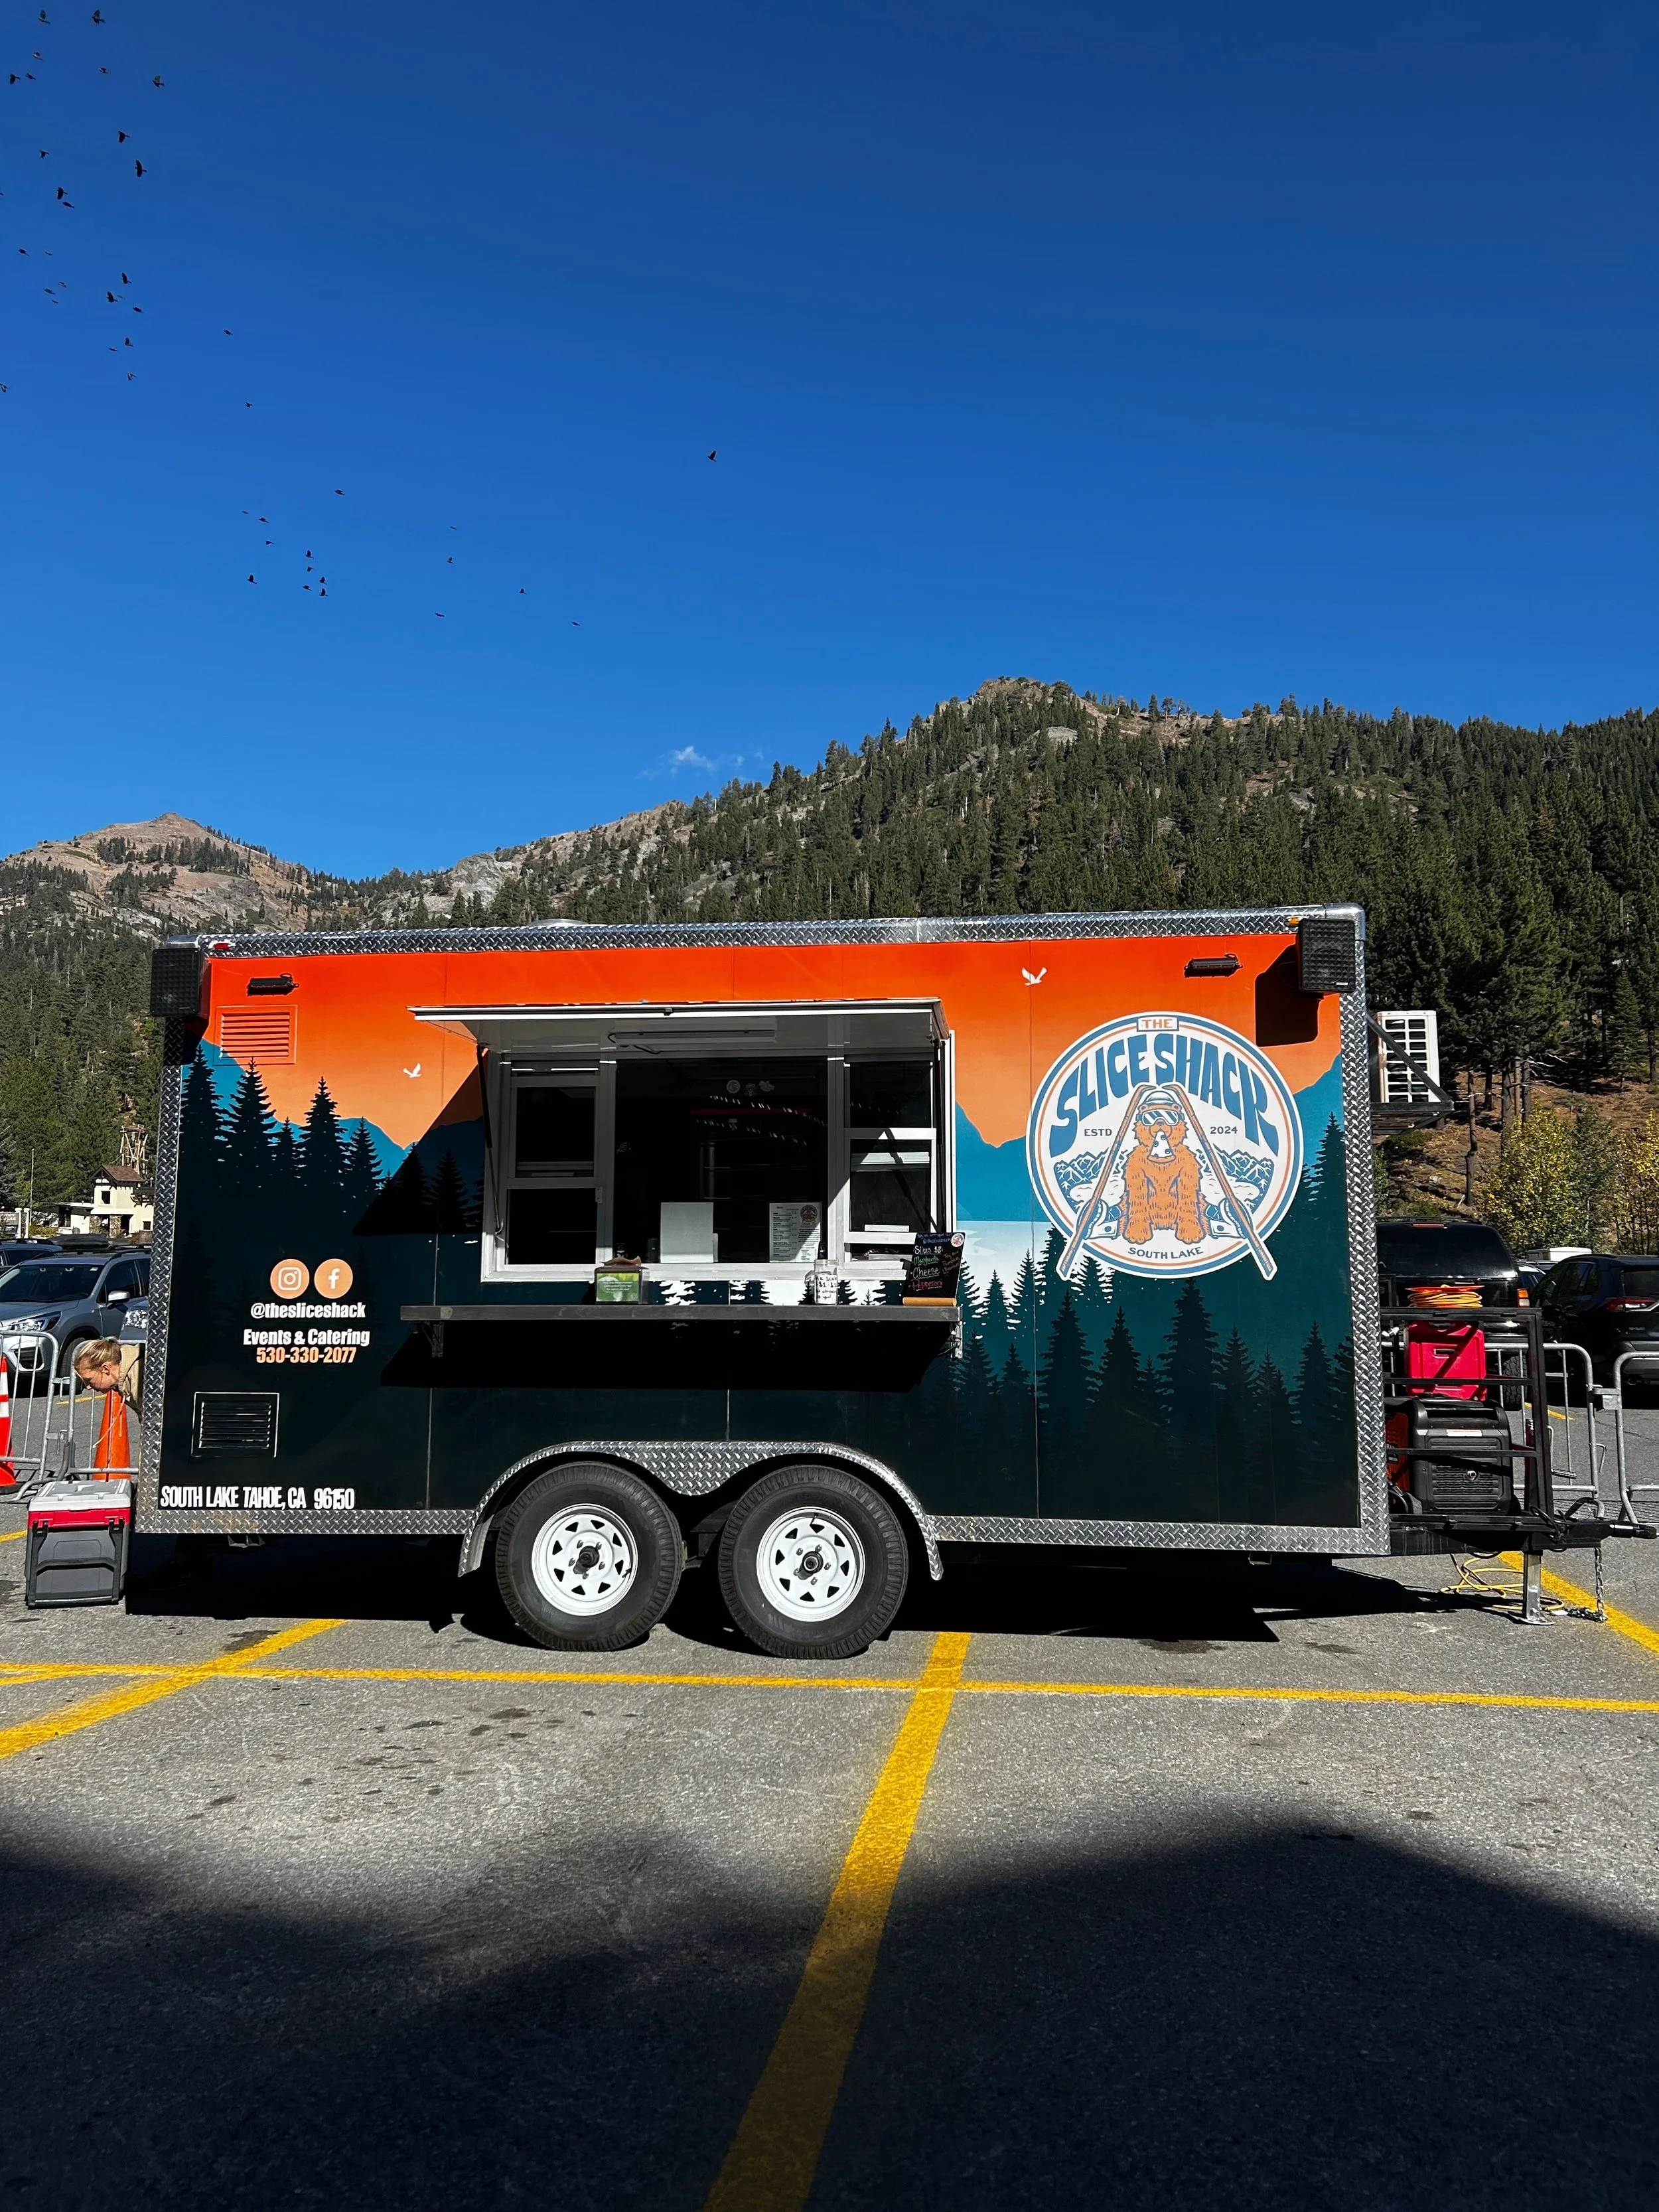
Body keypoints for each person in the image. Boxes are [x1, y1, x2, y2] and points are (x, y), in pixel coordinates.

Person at [72, 1336, 137, 1476]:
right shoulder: (123, 1381)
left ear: (106, 1369)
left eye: (89, 1380)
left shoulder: (136, 1377)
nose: (88, 1387)